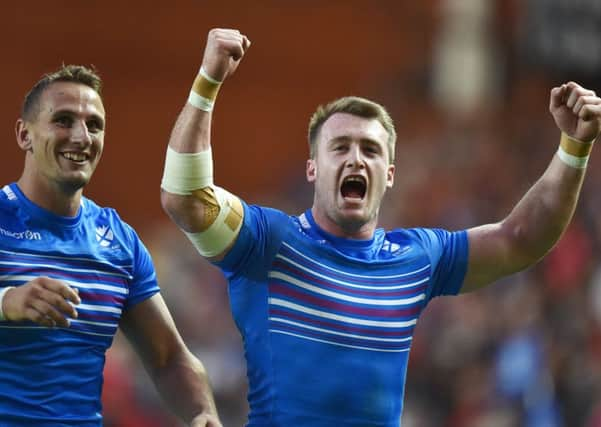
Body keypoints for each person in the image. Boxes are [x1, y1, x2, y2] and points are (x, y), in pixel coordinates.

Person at [160, 28, 601, 427]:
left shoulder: (417, 257)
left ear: (389, 173)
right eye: (340, 147)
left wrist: (574, 147)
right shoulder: (270, 242)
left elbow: (521, 239)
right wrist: (207, 83)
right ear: (313, 169)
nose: (356, 158)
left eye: (370, 149)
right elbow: (185, 199)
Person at [0, 65, 222, 427]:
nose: (81, 136)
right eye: (63, 120)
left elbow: (168, 357)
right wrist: (6, 302)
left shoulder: (117, 242)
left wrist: (203, 413)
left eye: (94, 125)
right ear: (24, 134)